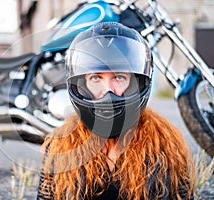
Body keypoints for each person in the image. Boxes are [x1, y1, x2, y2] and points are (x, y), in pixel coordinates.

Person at [37, 22, 195, 200]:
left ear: (136, 83)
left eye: (119, 77)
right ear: (82, 85)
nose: (107, 91)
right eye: (96, 77)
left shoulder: (166, 145)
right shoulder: (60, 146)